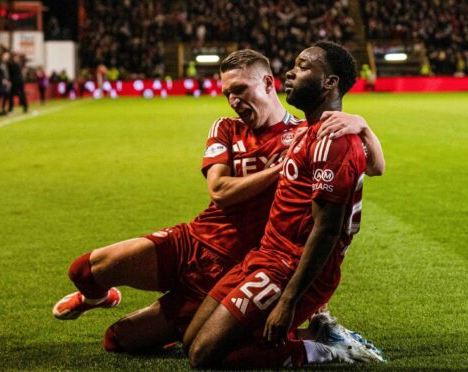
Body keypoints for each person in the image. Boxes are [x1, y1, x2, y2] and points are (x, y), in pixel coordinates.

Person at [52, 49, 385, 354]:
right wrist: (276, 172)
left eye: (240, 90)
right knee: (82, 270)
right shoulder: (226, 128)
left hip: (238, 268)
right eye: (227, 93)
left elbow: (371, 167)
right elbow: (220, 192)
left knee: (117, 341)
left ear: (268, 83)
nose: (232, 100)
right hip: (195, 242)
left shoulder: (306, 133)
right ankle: (99, 297)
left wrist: (363, 124)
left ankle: (201, 326)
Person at [184, 42, 384, 369]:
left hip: (288, 267)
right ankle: (314, 336)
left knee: (205, 356)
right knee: (191, 341)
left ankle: (330, 350)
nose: (290, 72)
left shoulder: (333, 141)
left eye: (303, 66)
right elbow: (377, 167)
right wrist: (363, 124)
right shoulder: (309, 129)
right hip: (265, 255)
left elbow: (327, 230)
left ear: (329, 83)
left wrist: (288, 301)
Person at [0, 52, 11, 116]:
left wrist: (8, 81)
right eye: (6, 55)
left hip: (6, 83)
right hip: (0, 83)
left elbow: (7, 74)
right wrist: (2, 80)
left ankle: (3, 109)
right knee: (0, 96)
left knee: (6, 96)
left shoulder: (6, 64)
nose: (7, 57)